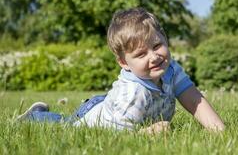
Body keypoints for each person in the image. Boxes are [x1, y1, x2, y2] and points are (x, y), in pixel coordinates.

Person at [17, 8, 225, 133]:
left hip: (109, 102)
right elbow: (120, 136)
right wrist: (148, 133)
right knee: (66, 126)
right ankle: (35, 116)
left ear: (165, 40)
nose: (153, 56)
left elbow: (193, 98)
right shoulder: (133, 95)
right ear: (124, 63)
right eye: (141, 54)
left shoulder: (170, 68)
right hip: (97, 117)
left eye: (156, 46)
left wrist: (219, 131)